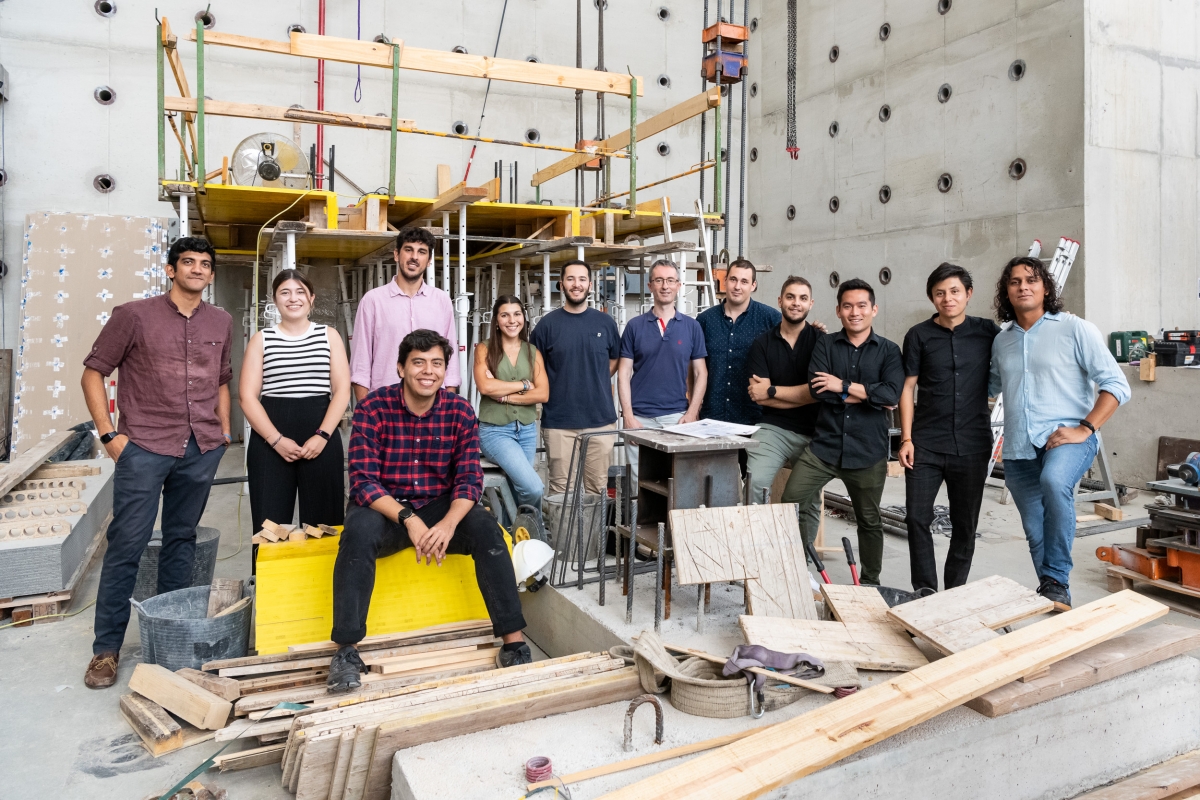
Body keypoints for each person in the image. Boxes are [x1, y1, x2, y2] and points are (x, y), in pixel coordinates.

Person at [327, 329, 529, 692]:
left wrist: (450, 523)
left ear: (445, 371)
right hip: (386, 507)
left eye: (436, 363)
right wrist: (409, 519)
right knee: (356, 535)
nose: (428, 371)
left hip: (440, 507)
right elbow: (362, 481)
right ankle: (346, 650)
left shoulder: (459, 410)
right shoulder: (373, 408)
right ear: (401, 368)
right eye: (418, 362)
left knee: (488, 531)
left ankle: (513, 643)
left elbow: (469, 478)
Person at [79, 236, 232, 689]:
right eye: (188, 262)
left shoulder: (221, 321)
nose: (197, 269)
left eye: (205, 264)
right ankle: (105, 649)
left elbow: (222, 378)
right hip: (144, 445)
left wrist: (222, 431)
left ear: (211, 274)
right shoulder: (134, 316)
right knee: (128, 543)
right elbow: (93, 371)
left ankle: (165, 633)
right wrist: (110, 435)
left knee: (182, 540)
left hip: (200, 447)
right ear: (170, 270)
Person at [989, 256, 1129, 608]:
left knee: (1054, 482)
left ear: (1046, 288)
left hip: (1068, 438)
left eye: (1031, 280)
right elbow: (987, 385)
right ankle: (1053, 593)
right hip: (1020, 444)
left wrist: (1085, 427)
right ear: (1006, 291)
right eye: (1015, 281)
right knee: (1035, 529)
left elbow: (1116, 385)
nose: (1023, 286)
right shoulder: (1001, 341)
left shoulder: (1074, 328)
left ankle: (1057, 580)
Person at [780, 278, 903, 586]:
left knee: (869, 520)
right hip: (824, 447)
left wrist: (845, 386)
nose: (855, 312)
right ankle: (796, 570)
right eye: (847, 306)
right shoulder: (826, 344)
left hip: (867, 451)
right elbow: (820, 389)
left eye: (862, 305)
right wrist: (868, 395)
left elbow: (891, 395)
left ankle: (870, 582)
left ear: (873, 309)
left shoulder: (889, 351)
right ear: (838, 311)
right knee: (789, 501)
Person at [898, 264, 1001, 594]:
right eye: (940, 293)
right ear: (932, 297)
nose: (948, 298)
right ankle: (925, 591)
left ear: (968, 294)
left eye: (955, 291)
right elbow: (907, 388)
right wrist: (907, 438)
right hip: (926, 442)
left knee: (965, 524)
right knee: (916, 517)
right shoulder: (919, 335)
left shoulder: (988, 332)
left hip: (972, 444)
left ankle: (955, 591)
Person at [240, 269, 351, 545]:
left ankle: (325, 587)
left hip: (320, 434)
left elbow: (342, 391)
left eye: (300, 292)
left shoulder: (329, 336)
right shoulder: (261, 340)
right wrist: (275, 440)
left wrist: (323, 435)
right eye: (285, 292)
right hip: (271, 436)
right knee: (269, 527)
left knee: (325, 526)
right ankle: (269, 589)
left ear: (311, 298)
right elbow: (247, 397)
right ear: (275, 301)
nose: (293, 298)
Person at [529, 260, 621, 496]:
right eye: (570, 279)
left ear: (590, 285)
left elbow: (614, 360)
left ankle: (593, 536)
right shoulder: (546, 326)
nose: (576, 284)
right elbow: (534, 368)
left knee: (597, 492)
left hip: (600, 421)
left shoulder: (605, 323)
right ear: (561, 284)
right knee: (562, 494)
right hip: (560, 423)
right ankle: (562, 536)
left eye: (582, 279)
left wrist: (594, 378)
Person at [744, 276, 825, 543]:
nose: (796, 303)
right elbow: (760, 399)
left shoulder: (823, 343)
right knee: (755, 484)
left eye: (802, 298)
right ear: (780, 301)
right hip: (773, 428)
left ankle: (804, 561)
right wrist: (804, 394)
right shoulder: (762, 343)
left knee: (808, 497)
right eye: (790, 297)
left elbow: (818, 394)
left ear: (811, 303)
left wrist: (772, 391)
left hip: (814, 432)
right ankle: (758, 551)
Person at [618, 259, 708, 482]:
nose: (665, 286)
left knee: (675, 482)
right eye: (659, 280)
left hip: (676, 418)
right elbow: (623, 374)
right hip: (640, 419)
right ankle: (638, 519)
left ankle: (668, 520)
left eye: (670, 280)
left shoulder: (692, 327)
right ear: (650, 286)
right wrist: (628, 417)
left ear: (679, 286)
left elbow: (701, 373)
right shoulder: (634, 326)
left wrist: (691, 413)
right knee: (639, 485)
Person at [350, 227, 459, 400]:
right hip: (385, 404)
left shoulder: (441, 301)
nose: (414, 257)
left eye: (422, 252)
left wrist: (447, 407)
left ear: (429, 260)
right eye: (408, 250)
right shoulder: (373, 300)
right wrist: (368, 411)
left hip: (432, 403)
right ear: (396, 255)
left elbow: (451, 363)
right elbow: (360, 364)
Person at [473, 296, 549, 521]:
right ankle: (525, 533)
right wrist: (524, 385)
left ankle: (511, 538)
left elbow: (543, 393)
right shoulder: (484, 349)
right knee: (533, 488)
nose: (511, 320)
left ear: (523, 318)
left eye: (517, 314)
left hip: (525, 431)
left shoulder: (532, 351)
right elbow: (485, 386)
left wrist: (504, 395)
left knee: (519, 487)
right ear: (496, 320)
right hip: (495, 432)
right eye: (504, 315)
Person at [697, 258, 780, 425]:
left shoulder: (771, 319)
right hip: (711, 415)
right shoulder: (704, 320)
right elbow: (694, 367)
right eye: (733, 279)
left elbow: (796, 339)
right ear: (725, 280)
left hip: (754, 418)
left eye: (744, 281)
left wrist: (815, 330)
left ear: (753, 286)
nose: (737, 286)